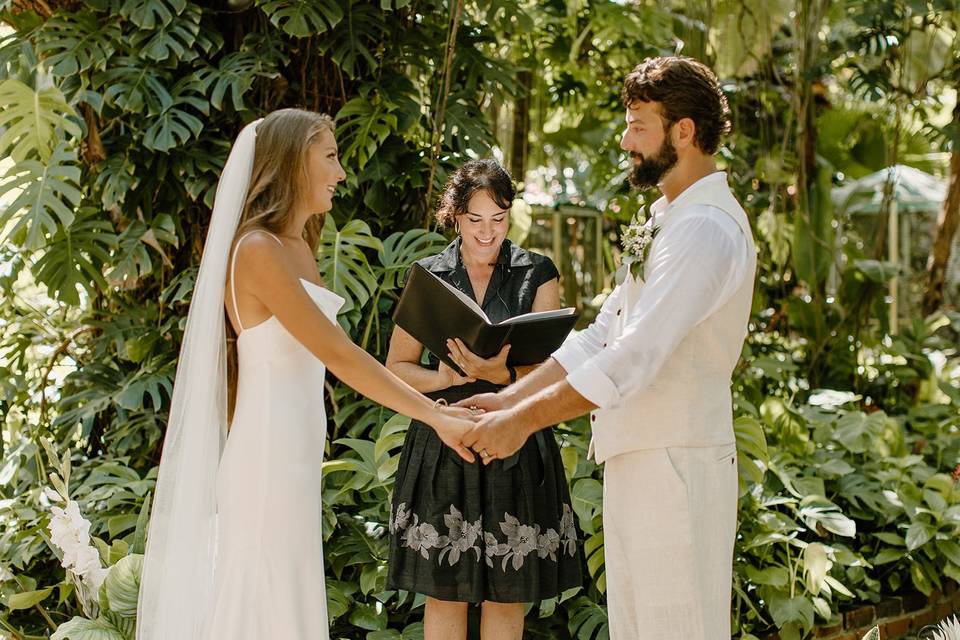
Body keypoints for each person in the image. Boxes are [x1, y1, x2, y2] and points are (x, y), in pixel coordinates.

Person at [136, 109, 476, 640]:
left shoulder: (297, 246)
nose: (341, 173)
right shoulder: (257, 250)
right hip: (266, 458)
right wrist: (435, 417)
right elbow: (338, 354)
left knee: (286, 601)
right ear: (294, 162)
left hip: (294, 456)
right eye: (331, 157)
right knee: (260, 603)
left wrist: (439, 387)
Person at [457, 57, 757, 639]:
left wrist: (522, 423)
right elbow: (604, 335)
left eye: (638, 125)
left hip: (678, 461)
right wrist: (510, 398)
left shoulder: (704, 230)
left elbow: (635, 357)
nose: (626, 140)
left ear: (684, 132)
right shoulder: (671, 219)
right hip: (642, 456)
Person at [385, 159, 583, 640]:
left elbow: (557, 368)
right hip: (444, 440)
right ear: (455, 216)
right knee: (444, 589)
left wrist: (504, 373)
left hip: (514, 441)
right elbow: (395, 370)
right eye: (475, 220)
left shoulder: (537, 272)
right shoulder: (429, 276)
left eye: (498, 219)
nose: (487, 232)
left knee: (507, 592)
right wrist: (442, 376)